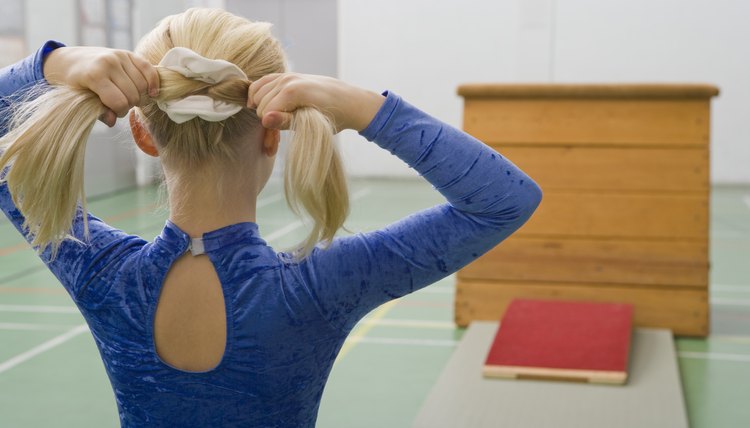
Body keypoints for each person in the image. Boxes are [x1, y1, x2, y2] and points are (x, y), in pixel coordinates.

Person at [0, 8, 542, 428]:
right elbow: (503, 199)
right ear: (272, 131)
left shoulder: (101, 272)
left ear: (143, 135)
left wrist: (55, 63)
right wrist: (361, 107)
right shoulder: (320, 285)